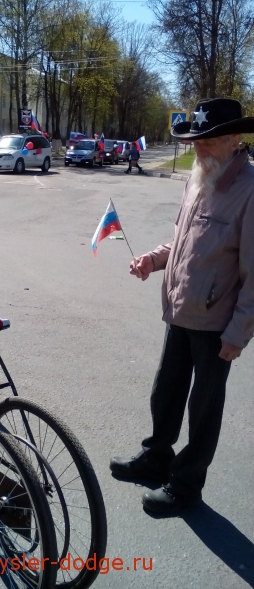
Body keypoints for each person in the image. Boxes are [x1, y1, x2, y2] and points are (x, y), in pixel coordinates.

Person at [110, 97, 254, 515]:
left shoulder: (249, 190)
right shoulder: (199, 177)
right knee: (166, 392)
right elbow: (182, 241)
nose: (198, 148)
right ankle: (157, 458)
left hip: (217, 324)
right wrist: (153, 261)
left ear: (235, 139)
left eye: (208, 140)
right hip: (180, 309)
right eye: (196, 140)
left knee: (203, 408)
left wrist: (238, 333)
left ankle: (187, 486)